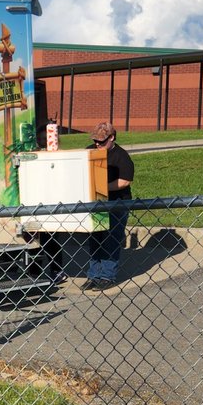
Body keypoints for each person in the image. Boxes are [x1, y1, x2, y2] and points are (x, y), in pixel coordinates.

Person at [84, 122, 134, 290]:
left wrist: (102, 187)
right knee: (95, 238)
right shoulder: (89, 151)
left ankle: (107, 276)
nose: (97, 144)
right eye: (95, 141)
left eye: (101, 141)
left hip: (117, 203)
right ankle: (94, 275)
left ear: (112, 138)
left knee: (111, 239)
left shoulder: (121, 156)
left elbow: (125, 181)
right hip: (96, 203)